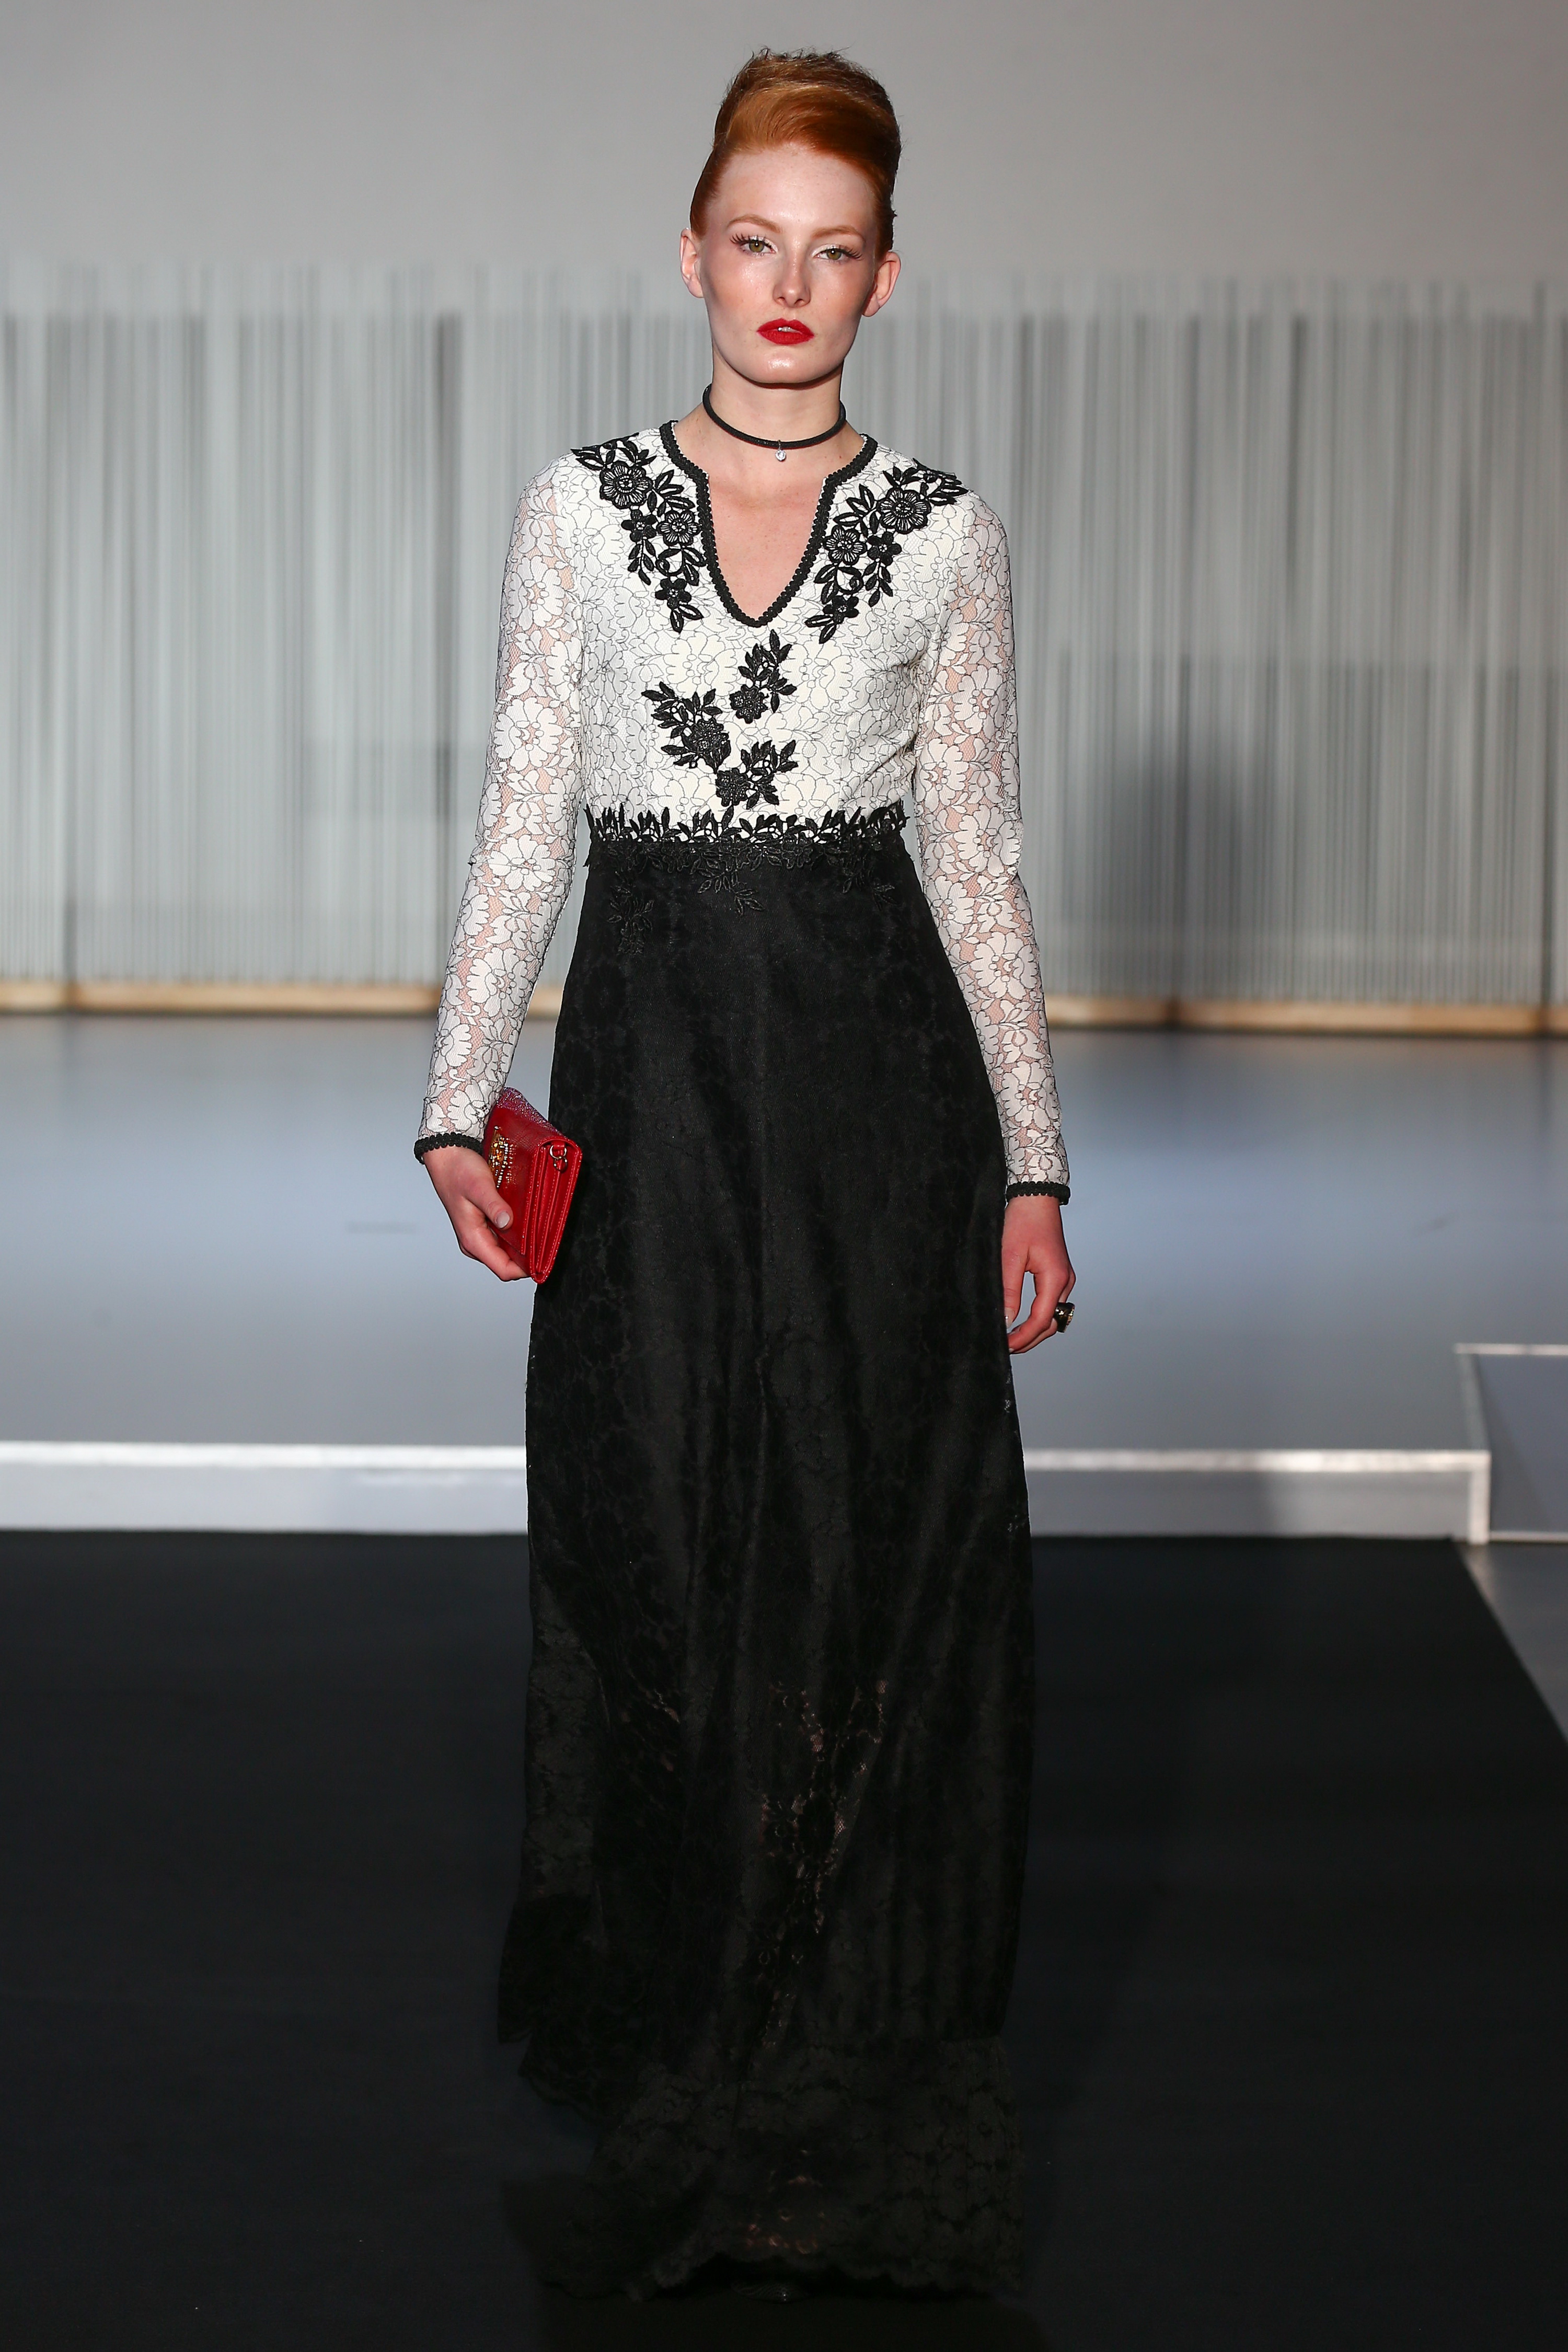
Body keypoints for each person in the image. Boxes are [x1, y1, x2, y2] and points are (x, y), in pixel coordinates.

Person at [415, 48, 1074, 2301]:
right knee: (662, 1550)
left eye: (834, 249)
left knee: (863, 1573)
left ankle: (826, 2105)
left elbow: (972, 851)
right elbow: (526, 811)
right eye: (754, 241)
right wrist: (454, 1093)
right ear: (690, 253)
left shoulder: (949, 534)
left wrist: (1033, 1163)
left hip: (881, 1101)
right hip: (661, 1084)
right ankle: (680, 2048)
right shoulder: (582, 509)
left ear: (886, 275)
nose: (790, 284)